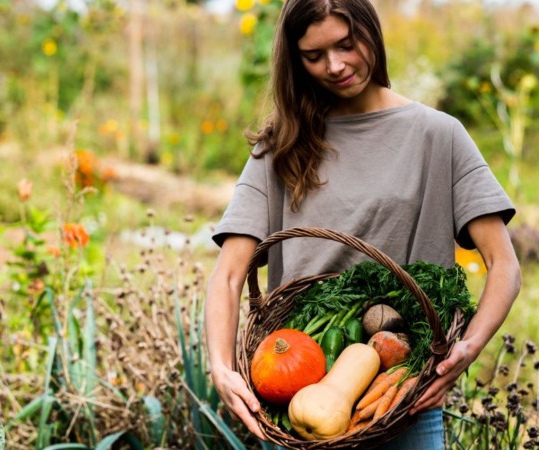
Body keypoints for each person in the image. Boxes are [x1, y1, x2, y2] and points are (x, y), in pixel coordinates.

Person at [205, 0, 521, 448]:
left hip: (402, 398)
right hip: (297, 399)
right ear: (296, 61)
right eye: (314, 56)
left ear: (371, 32)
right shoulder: (282, 145)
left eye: (346, 45)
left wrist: (467, 349)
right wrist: (220, 365)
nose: (334, 66)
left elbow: (504, 265)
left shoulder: (439, 136)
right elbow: (230, 272)